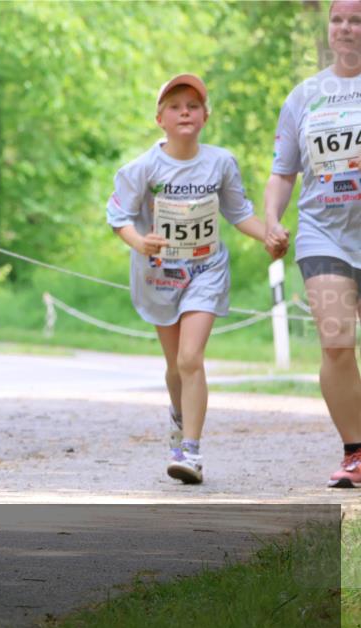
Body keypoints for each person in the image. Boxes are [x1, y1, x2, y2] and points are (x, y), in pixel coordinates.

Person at [106, 73, 287, 485]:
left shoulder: (220, 163)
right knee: (175, 366)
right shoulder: (144, 168)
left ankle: (191, 452)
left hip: (206, 271)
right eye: (174, 107)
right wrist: (140, 242)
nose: (184, 112)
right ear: (160, 119)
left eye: (193, 106)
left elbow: (239, 214)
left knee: (190, 358)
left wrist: (269, 236)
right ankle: (178, 417)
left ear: (205, 116)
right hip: (159, 276)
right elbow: (118, 216)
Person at [265, 0, 361, 489]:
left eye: (356, 19)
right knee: (337, 340)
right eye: (338, 19)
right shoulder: (305, 95)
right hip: (325, 234)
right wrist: (271, 220)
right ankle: (356, 452)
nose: (345, 28)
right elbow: (283, 172)